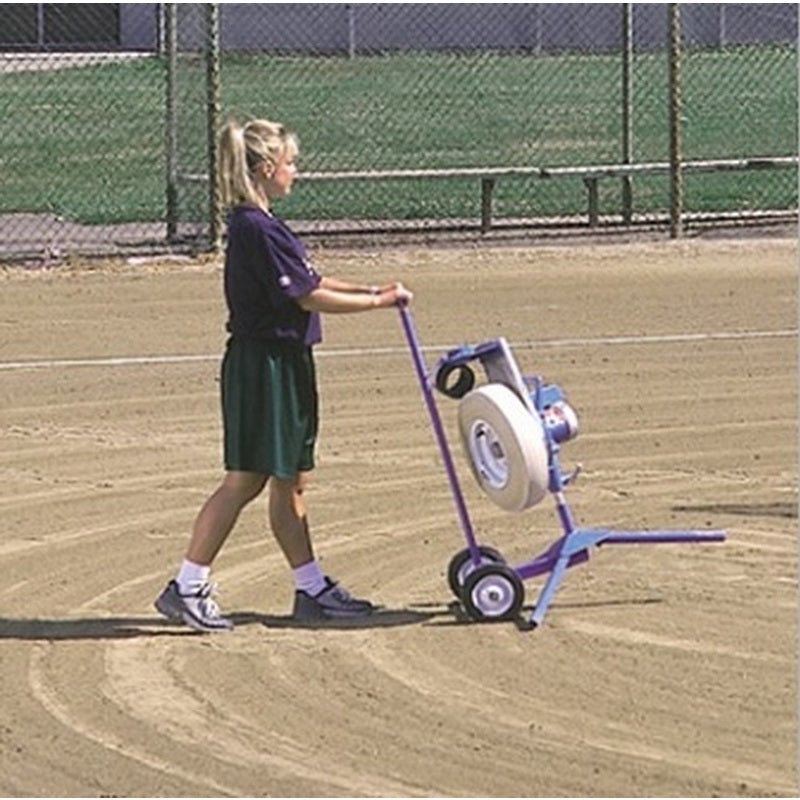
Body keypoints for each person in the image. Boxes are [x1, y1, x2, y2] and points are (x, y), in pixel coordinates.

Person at [154, 118, 412, 632]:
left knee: (292, 480)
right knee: (245, 480)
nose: (296, 172)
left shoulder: (265, 225)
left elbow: (312, 278)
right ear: (268, 169)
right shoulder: (255, 227)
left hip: (286, 362)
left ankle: (311, 588)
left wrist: (369, 289)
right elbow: (306, 295)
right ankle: (187, 585)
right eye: (291, 163)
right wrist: (379, 303)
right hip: (262, 365)